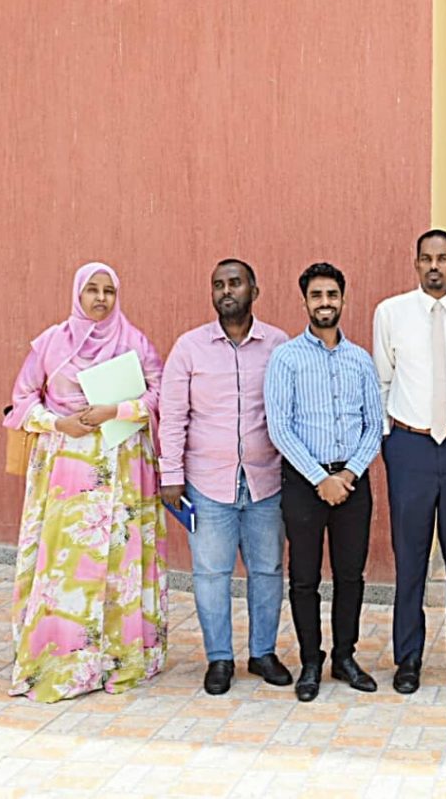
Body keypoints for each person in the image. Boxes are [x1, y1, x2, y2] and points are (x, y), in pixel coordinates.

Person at [3, 262, 167, 703]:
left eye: (108, 290)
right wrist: (59, 422)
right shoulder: (50, 343)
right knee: (66, 565)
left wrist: (117, 411)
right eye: (92, 290)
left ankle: (116, 660)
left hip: (123, 470)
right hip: (66, 472)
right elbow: (21, 400)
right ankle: (62, 660)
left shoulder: (134, 342)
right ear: (77, 293)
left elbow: (159, 394)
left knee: (118, 562)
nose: (100, 298)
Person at [159, 259, 291, 695]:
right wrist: (170, 474)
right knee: (211, 573)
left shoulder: (278, 345)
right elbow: (173, 416)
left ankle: (262, 653)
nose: (226, 291)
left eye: (235, 283)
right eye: (218, 285)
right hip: (207, 483)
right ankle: (219, 658)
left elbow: (290, 409)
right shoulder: (189, 348)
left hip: (266, 481)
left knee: (268, 570)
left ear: (255, 289)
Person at [372, 230, 446, 694]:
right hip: (411, 448)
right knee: (410, 561)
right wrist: (391, 442)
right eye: (426, 259)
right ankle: (408, 659)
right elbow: (383, 381)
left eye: (443, 259)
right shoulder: (391, 313)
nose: (434, 266)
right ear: (416, 263)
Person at [264, 262, 382, 702]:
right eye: (317, 295)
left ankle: (344, 657)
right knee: (304, 577)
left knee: (350, 575)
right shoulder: (286, 358)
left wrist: (347, 475)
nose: (325, 302)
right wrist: (320, 478)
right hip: (304, 483)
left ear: (343, 300)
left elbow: (375, 425)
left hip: (352, 481)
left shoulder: (360, 360)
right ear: (305, 302)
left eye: (332, 294)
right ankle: (311, 661)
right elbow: (279, 427)